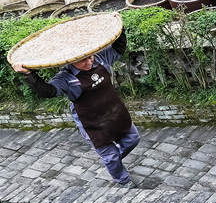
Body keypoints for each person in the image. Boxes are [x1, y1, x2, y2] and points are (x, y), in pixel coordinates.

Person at [12, 14, 139, 187]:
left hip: (115, 111)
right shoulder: (66, 78)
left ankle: (112, 161)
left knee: (133, 138)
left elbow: (118, 48)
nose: (89, 61)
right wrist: (28, 75)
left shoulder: (100, 59)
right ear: (71, 60)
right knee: (109, 155)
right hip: (92, 122)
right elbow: (48, 91)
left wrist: (119, 26)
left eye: (89, 56)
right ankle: (123, 180)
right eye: (82, 60)